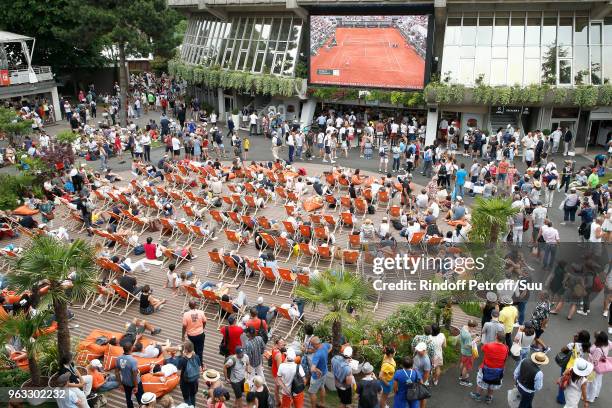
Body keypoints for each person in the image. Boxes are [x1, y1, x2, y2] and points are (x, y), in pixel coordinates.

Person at [469, 331, 509, 404]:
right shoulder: (506, 348)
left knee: (481, 382)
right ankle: (489, 397)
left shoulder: (489, 345)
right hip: (499, 370)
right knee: (493, 383)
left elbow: (481, 349)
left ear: (496, 337)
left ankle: (478, 395)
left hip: (486, 368)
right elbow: (505, 359)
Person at [115, 342, 144, 408]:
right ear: (131, 348)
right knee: (141, 399)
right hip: (135, 383)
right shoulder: (133, 360)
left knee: (128, 398)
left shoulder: (118, 358)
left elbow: (117, 373)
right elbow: (134, 375)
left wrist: (120, 384)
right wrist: (136, 386)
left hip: (125, 383)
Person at [182, 300, 207, 369]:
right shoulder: (201, 312)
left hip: (191, 335)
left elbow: (184, 326)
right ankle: (201, 365)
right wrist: (202, 328)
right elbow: (204, 321)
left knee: (192, 349)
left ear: (189, 306)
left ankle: (193, 363)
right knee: (199, 350)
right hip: (200, 334)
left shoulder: (186, 314)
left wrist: (183, 335)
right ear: (196, 305)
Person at [308, 336, 332, 408]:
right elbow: (331, 345)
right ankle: (322, 403)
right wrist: (327, 352)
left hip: (317, 376)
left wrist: (317, 370)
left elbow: (312, 369)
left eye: (312, 344)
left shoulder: (317, 354)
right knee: (322, 387)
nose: (312, 346)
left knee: (312, 392)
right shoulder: (324, 345)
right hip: (324, 372)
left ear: (315, 344)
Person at [176, 340, 201, 407]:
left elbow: (178, 374)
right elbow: (200, 369)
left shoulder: (182, 360)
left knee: (186, 398)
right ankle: (193, 406)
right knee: (193, 395)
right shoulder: (197, 357)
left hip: (185, 382)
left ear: (186, 350)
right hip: (194, 380)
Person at [587, 331, 610, 402]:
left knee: (592, 382)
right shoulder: (608, 343)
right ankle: (596, 394)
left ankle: (590, 397)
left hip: (594, 369)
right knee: (598, 381)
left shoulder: (598, 349)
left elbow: (594, 361)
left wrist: (590, 356)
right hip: (601, 367)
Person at [459, 319, 479, 386]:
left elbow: (466, 336)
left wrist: (472, 334)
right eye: (475, 327)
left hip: (463, 351)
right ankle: (463, 380)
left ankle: (461, 375)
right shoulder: (467, 336)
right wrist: (475, 340)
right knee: (466, 367)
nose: (475, 329)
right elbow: (468, 345)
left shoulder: (464, 328)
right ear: (472, 327)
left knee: (462, 362)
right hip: (468, 353)